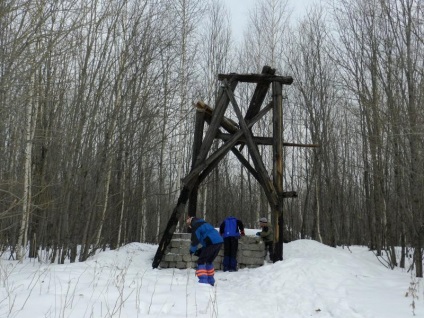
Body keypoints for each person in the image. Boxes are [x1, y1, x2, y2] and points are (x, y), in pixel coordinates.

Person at [187, 216, 223, 286]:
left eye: (188, 224)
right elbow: (207, 238)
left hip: (212, 243)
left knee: (201, 261)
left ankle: (203, 282)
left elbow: (195, 241)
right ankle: (210, 281)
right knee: (209, 261)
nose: (189, 227)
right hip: (219, 241)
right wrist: (201, 250)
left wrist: (192, 250)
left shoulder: (195, 226)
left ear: (191, 222)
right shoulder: (204, 223)